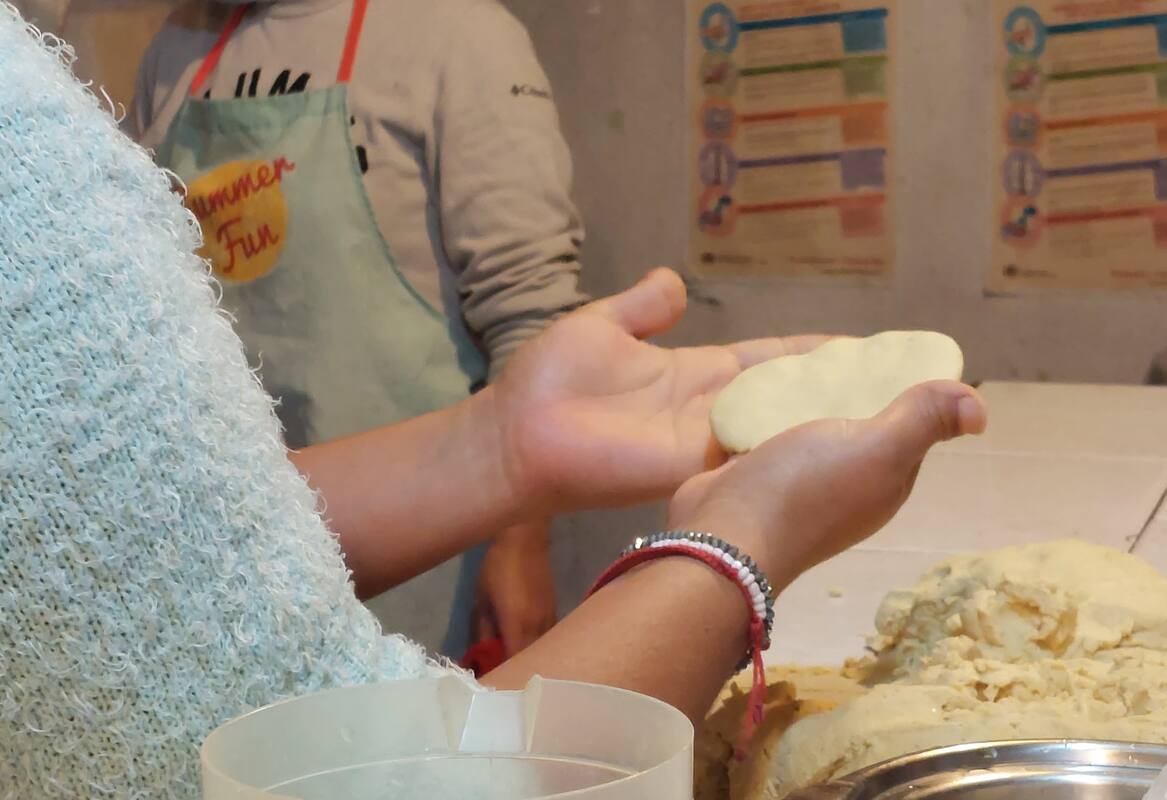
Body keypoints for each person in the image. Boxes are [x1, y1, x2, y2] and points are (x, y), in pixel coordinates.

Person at [0, 5, 987, 795]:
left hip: (340, 533)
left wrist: (500, 454)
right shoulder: (139, 70)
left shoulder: (454, 36)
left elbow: (136, 533)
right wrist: (738, 546)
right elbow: (375, 779)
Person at [131, 0, 589, 659]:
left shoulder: (458, 34)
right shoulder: (178, 48)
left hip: (431, 559)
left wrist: (523, 543)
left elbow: (532, 311)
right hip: (242, 549)